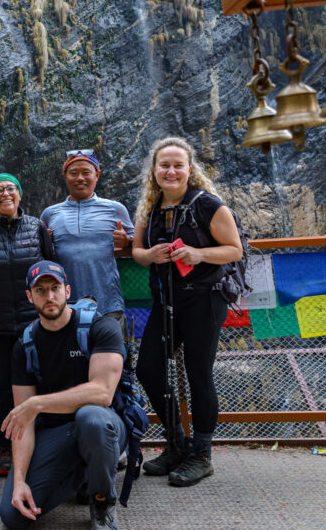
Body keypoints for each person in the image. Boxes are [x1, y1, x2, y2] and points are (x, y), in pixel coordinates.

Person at [131, 137, 243, 487]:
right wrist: (150, 256)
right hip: (166, 301)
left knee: (198, 373)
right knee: (147, 368)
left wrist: (198, 254)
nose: (171, 170)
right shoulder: (149, 209)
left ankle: (202, 454)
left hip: (204, 299)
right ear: (154, 170)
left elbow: (234, 250)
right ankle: (178, 442)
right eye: (164, 164)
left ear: (189, 170)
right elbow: (136, 250)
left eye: (178, 165)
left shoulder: (207, 205)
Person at [0, 260, 126, 530]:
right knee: (14, 518)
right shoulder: (25, 344)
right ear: (30, 296)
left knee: (91, 417)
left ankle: (102, 502)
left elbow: (103, 393)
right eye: (41, 290)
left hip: (104, 425)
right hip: (57, 432)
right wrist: (20, 479)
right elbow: (24, 421)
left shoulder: (100, 327)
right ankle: (83, 473)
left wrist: (38, 403)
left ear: (68, 291)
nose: (49, 296)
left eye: (55, 288)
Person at [0, 173, 56, 478]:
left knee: (43, 380)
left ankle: (46, 443)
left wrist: (53, 312)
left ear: (19, 194)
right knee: (3, 384)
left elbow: (53, 270)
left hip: (36, 322)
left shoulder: (37, 228)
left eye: (10, 189)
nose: (5, 194)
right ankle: (5, 448)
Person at [40, 150, 134, 333]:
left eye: (86, 172)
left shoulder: (115, 209)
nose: (80, 178)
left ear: (97, 175)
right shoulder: (50, 214)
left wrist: (127, 241)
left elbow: (140, 247)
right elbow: (39, 253)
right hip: (64, 306)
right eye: (73, 173)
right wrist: (46, 242)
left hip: (107, 304)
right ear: (64, 176)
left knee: (112, 359)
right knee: (70, 360)